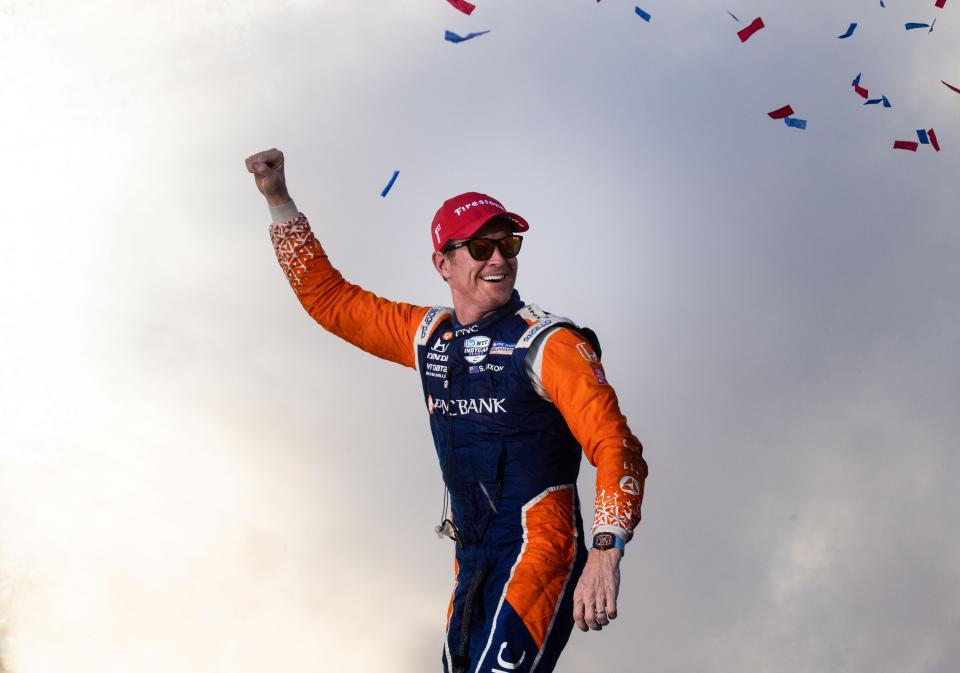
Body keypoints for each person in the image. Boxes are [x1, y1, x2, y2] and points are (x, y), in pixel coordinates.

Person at [245, 148, 648, 673]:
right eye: (481, 247)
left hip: (540, 550)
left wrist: (606, 548)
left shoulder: (550, 344)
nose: (498, 259)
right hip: (473, 552)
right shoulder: (429, 334)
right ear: (443, 263)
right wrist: (278, 201)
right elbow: (331, 302)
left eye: (508, 244)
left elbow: (616, 444)